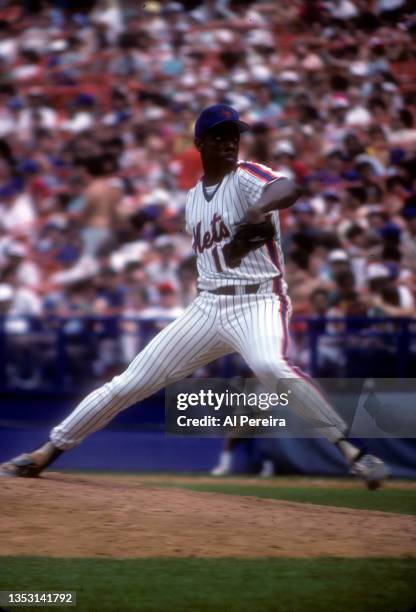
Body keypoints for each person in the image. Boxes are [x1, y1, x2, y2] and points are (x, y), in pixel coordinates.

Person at [0, 104, 389, 488]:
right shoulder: (192, 200)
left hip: (258, 300)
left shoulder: (246, 176)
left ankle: (353, 451)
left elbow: (287, 187)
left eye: (234, 135)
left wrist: (257, 211)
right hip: (208, 306)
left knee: (270, 366)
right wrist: (239, 240)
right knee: (128, 383)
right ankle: (46, 452)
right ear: (199, 143)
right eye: (219, 135)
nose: (229, 142)